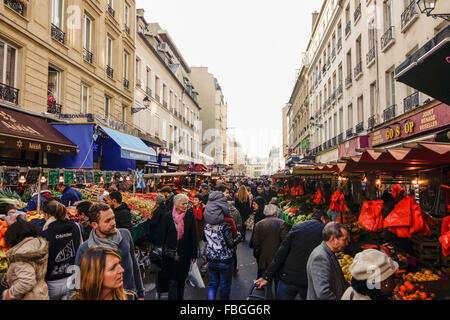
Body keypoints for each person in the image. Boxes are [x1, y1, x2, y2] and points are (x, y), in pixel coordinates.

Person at [254, 210, 331, 300]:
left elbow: (280, 253)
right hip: (307, 280)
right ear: (323, 219)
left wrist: (266, 276)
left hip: (288, 277)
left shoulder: (297, 227)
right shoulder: (326, 232)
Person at [74, 202, 145, 299]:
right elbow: (77, 281)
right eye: (107, 221)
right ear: (94, 224)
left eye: (113, 218)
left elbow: (134, 265)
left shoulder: (125, 235)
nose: (113, 223)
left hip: (129, 296)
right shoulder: (85, 249)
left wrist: (141, 293)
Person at [41, 200, 83, 300]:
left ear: (47, 215)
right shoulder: (76, 227)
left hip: (53, 283)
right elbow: (81, 250)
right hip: (73, 278)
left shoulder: (45, 234)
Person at [159, 194, 197, 300]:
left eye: (187, 203)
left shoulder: (189, 215)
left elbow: (193, 235)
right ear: (176, 204)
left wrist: (194, 254)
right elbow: (163, 236)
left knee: (181, 281)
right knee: (172, 282)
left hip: (184, 254)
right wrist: (163, 252)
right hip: (170, 255)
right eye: (183, 203)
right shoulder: (167, 216)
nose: (186, 206)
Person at [1, 219, 49, 300]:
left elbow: (27, 282)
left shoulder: (21, 256)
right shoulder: (36, 244)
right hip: (41, 292)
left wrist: (8, 294)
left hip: (29, 296)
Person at [71, 246, 137, 300]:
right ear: (94, 275)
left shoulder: (130, 297)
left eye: (119, 264)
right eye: (113, 267)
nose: (122, 270)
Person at [204, 209, 242, 300]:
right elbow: (231, 244)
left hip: (211, 258)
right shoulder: (224, 226)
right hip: (224, 259)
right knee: (224, 286)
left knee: (212, 284)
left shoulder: (207, 226)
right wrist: (239, 237)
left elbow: (205, 239)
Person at [306, 222, 349, 300]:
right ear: (333, 239)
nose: (347, 243)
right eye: (344, 240)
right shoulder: (320, 257)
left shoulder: (328, 252)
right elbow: (323, 293)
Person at [252, 204, 291, 280]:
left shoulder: (258, 224)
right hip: (278, 258)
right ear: (275, 213)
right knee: (277, 280)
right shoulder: (282, 223)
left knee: (266, 281)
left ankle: (267, 291)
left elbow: (256, 243)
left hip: (264, 258)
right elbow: (286, 242)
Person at [192, 194, 207, 271]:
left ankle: (203, 265)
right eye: (194, 199)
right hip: (194, 233)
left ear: (200, 201)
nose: (194, 201)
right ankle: (195, 268)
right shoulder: (191, 209)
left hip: (202, 234)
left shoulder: (205, 209)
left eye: (196, 200)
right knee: (195, 251)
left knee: (202, 252)